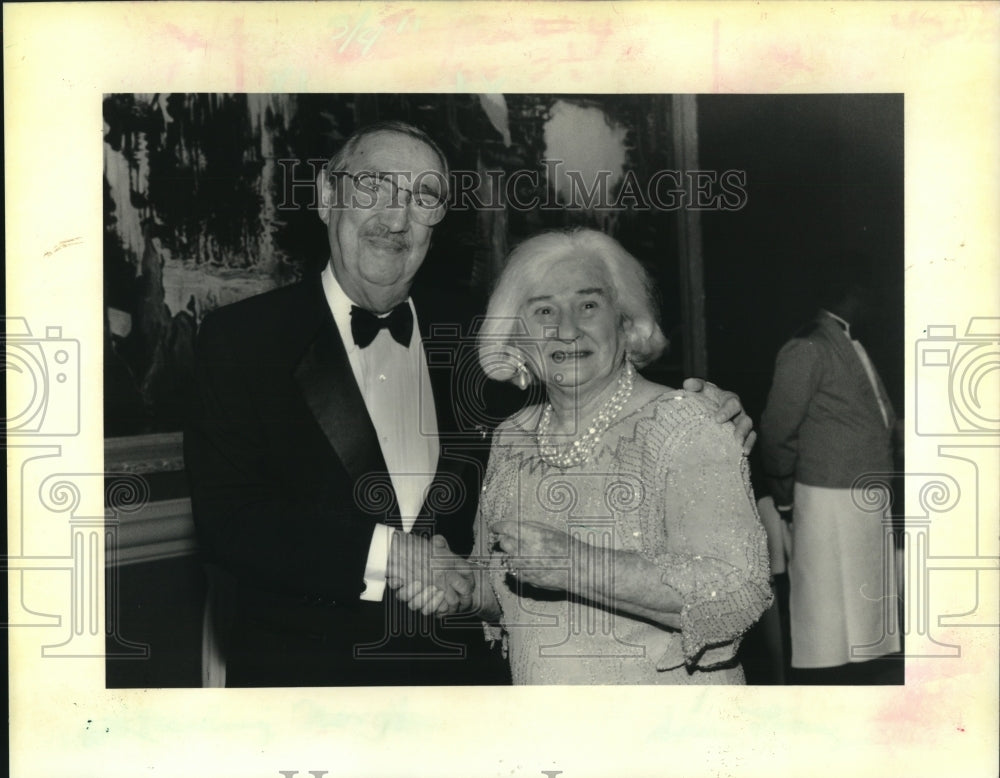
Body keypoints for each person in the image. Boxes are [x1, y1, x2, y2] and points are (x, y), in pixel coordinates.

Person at [185, 121, 755, 687]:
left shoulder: (479, 337)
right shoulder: (243, 339)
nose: (397, 217)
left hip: (460, 682)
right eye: (374, 187)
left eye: (423, 197)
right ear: (326, 197)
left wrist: (713, 409)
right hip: (306, 685)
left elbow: (594, 389)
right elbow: (228, 521)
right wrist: (392, 555)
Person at [464, 228, 772, 685]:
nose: (567, 329)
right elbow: (506, 591)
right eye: (544, 310)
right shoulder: (510, 439)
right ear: (518, 339)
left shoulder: (686, 424)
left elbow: (738, 591)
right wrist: (457, 586)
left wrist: (581, 565)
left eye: (589, 305)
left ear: (626, 324)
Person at [759, 258, 902, 684]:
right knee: (825, 624)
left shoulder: (847, 343)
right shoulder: (808, 347)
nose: (875, 305)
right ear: (850, 294)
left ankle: (856, 683)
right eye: (869, 295)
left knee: (862, 621)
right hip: (824, 500)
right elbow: (777, 430)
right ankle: (826, 693)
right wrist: (785, 496)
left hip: (860, 502)